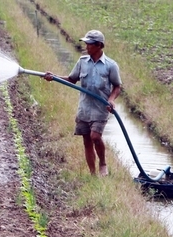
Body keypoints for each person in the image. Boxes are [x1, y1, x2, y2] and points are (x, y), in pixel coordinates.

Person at [44, 30, 122, 176]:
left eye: (90, 44)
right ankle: (93, 174)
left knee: (95, 137)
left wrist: (111, 100)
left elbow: (117, 87)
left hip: (100, 108)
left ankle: (103, 163)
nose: (86, 47)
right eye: (86, 44)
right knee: (87, 140)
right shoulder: (82, 62)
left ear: (99, 45)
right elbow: (72, 79)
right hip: (84, 108)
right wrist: (53, 77)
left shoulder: (111, 66)